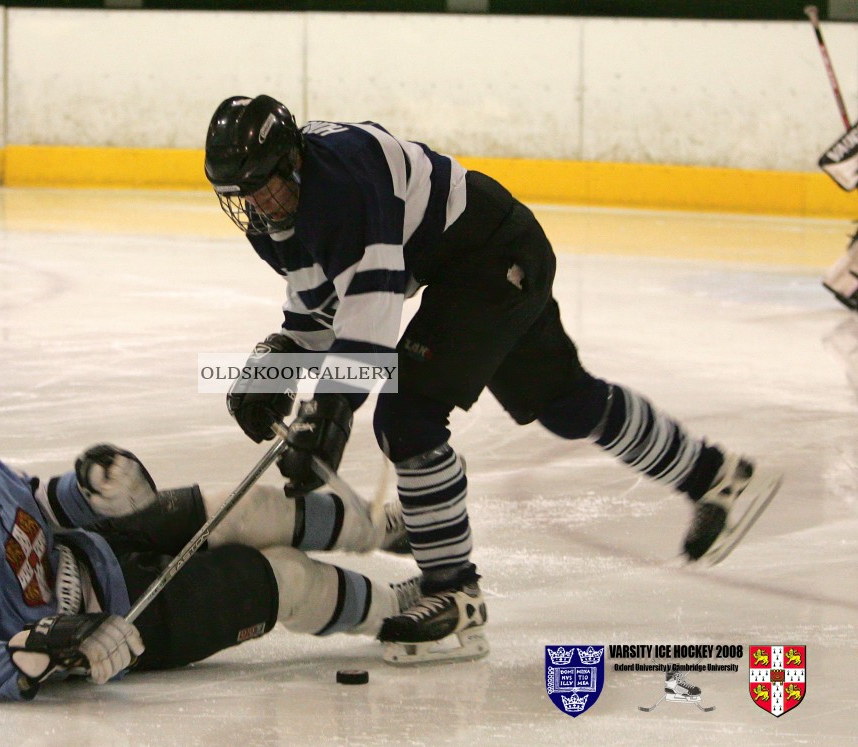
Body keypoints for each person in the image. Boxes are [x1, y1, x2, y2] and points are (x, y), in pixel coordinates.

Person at [202, 94, 783, 664]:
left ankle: (455, 593)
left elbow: (370, 314)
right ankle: (718, 477)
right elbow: (318, 313)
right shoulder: (276, 216)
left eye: (262, 184)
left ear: (292, 162)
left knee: (408, 414)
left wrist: (329, 412)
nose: (256, 202)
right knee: (567, 403)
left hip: (489, 255)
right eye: (240, 194)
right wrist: (273, 364)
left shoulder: (342, 187)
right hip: (484, 252)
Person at [0, 401, 416, 702]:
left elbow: (37, 506)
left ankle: (376, 528)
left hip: (100, 547)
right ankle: (399, 614)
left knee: (249, 507)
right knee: (282, 578)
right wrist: (46, 651)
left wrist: (88, 492)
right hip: (120, 619)